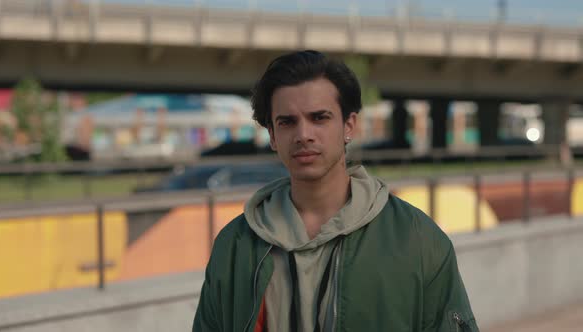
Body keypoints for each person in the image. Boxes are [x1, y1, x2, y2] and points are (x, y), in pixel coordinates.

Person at [193, 50, 479, 331]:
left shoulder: (418, 241)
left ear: (348, 125)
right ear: (272, 136)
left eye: (319, 118)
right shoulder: (235, 246)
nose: (304, 134)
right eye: (287, 122)